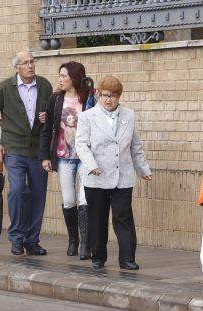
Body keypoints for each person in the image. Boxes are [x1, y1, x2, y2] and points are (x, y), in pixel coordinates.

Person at [76, 75, 152, 271]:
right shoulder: (87, 116)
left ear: (120, 97)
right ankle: (98, 257)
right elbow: (81, 144)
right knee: (97, 218)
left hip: (122, 175)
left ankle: (127, 258)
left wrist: (142, 168)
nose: (109, 100)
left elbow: (135, 146)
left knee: (123, 217)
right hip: (97, 176)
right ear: (98, 94)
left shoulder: (129, 115)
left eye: (114, 96)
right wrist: (91, 164)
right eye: (105, 95)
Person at [0, 50, 53, 256]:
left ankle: (32, 240)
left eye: (32, 62)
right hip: (14, 149)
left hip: (37, 150)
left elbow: (51, 116)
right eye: (25, 63)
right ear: (16, 67)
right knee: (17, 190)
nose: (30, 66)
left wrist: (46, 117)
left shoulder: (44, 85)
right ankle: (16, 238)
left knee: (37, 194)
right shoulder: (4, 88)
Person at [39, 61, 94, 260]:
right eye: (59, 76)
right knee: (69, 200)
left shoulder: (89, 98)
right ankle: (73, 240)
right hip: (64, 157)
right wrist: (45, 156)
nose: (60, 79)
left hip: (86, 158)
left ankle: (86, 244)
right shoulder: (55, 99)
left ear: (75, 78)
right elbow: (47, 130)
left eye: (64, 76)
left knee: (84, 200)